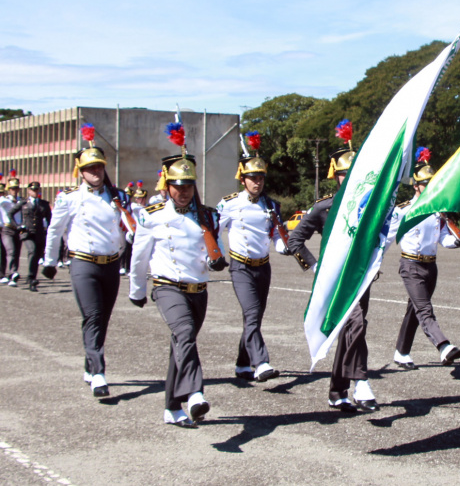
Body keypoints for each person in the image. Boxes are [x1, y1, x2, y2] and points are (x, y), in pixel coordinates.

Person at [129, 145, 228, 428]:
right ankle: (196, 393)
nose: (183, 191)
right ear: (167, 186)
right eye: (178, 186)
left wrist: (216, 262)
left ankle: (172, 408)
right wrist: (136, 291)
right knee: (184, 333)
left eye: (188, 186)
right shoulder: (153, 215)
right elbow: (139, 257)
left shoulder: (208, 216)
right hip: (167, 287)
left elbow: (214, 250)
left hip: (198, 290)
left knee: (181, 345)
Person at [287, 120, 377, 412]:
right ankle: (361, 383)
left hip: (361, 277)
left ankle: (337, 391)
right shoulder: (324, 208)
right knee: (356, 322)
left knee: (351, 330)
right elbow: (294, 241)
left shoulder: (370, 206)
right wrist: (315, 268)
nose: (347, 178)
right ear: (334, 176)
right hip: (334, 281)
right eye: (342, 174)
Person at [42, 124, 134, 397]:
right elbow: (55, 230)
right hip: (83, 263)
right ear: (80, 172)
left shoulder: (119, 197)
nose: (95, 172)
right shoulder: (69, 198)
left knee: (102, 318)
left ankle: (89, 362)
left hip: (111, 263)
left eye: (99, 167)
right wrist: (49, 260)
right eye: (90, 168)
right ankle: (98, 372)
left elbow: (128, 227)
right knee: (92, 315)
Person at [384, 147, 460, 371]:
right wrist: (373, 263)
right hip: (411, 265)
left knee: (414, 310)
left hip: (430, 266)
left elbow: (442, 237)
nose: (429, 187)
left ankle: (401, 352)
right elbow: (387, 238)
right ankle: (443, 346)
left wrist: (456, 243)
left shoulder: (437, 210)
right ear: (415, 186)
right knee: (424, 309)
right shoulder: (404, 210)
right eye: (425, 183)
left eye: (432, 183)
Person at [217, 134, 284, 383]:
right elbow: (213, 232)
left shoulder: (271, 205)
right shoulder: (229, 204)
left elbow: (277, 231)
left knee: (252, 317)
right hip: (240, 266)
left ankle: (242, 364)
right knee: (252, 313)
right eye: (253, 178)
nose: (257, 183)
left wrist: (281, 246)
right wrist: (214, 256)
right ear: (242, 179)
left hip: (263, 267)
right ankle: (261, 362)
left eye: (261, 178)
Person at [9, 181, 52, 292]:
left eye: (36, 190)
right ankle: (30, 277)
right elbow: (10, 213)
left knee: (37, 256)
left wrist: (49, 232)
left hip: (39, 234)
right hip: (27, 233)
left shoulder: (44, 204)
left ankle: (32, 278)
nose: (35, 192)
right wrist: (17, 226)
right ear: (28, 191)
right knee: (32, 251)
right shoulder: (23, 203)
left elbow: (49, 219)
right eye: (33, 190)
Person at [0, 173, 23, 287]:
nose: (14, 191)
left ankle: (12, 275)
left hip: (18, 230)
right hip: (7, 229)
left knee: (17, 253)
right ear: (8, 190)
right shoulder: (3, 200)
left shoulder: (21, 201)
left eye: (16, 188)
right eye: (12, 189)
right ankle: (12, 273)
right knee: (11, 251)